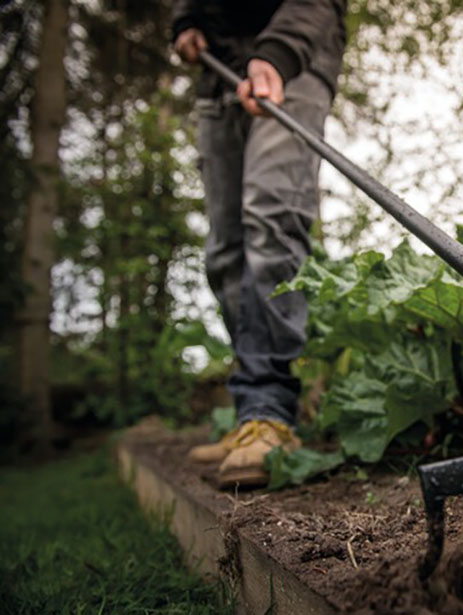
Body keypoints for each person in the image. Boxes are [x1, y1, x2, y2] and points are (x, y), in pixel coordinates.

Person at [172, 1, 347, 488]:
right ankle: (253, 412)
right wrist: (186, 20)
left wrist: (277, 54)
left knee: (272, 220)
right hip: (217, 68)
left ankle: (271, 413)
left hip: (295, 58)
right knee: (225, 251)